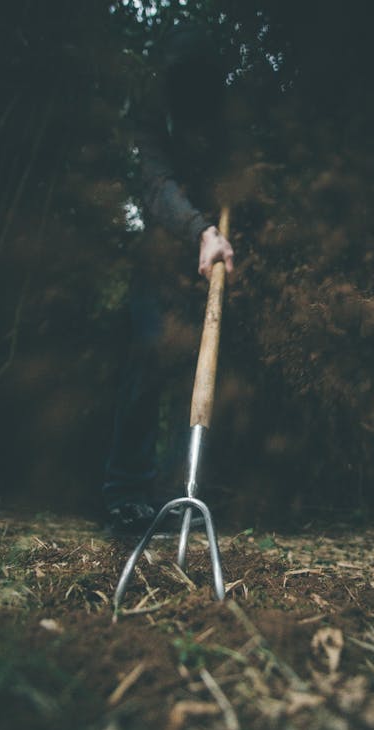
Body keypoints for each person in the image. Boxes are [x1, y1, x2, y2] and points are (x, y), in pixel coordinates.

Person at [104, 25, 235, 533]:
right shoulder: (152, 121)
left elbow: (234, 187)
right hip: (159, 260)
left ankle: (186, 493)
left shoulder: (220, 129)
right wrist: (200, 229)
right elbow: (157, 189)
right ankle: (126, 492)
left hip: (211, 265)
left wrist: (221, 234)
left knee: (201, 371)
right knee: (149, 356)